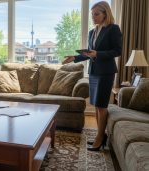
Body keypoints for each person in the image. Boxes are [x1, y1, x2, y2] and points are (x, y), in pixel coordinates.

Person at [62, 1, 122, 151]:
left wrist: (98, 54)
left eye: (96, 14)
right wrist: (74, 58)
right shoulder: (92, 32)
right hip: (94, 72)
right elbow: (90, 54)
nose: (93, 17)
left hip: (106, 72)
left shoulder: (113, 29)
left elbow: (117, 51)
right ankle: (99, 135)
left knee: (102, 106)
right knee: (96, 105)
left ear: (105, 14)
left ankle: (100, 137)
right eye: (92, 14)